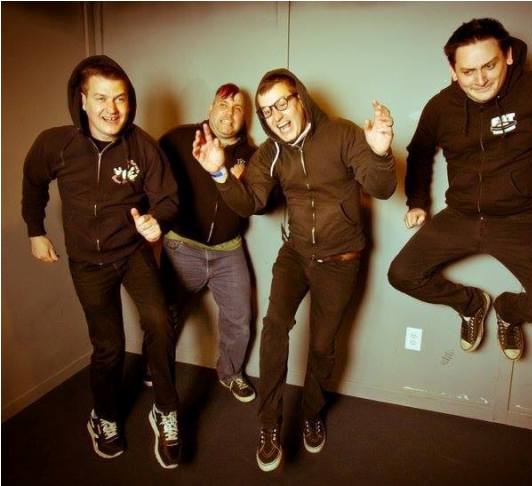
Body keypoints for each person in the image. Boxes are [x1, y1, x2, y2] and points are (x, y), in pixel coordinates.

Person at [192, 69, 396, 471]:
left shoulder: (342, 134)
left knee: (322, 346)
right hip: (296, 255)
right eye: (267, 111)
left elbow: (382, 187)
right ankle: (269, 423)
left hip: (340, 261)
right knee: (274, 327)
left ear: (300, 98)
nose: (277, 116)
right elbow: (250, 202)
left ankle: (312, 412)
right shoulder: (270, 153)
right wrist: (220, 174)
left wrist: (380, 153)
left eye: (282, 103)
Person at [388, 18, 532, 361]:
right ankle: (471, 304)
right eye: (468, 71)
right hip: (460, 216)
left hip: (521, 221)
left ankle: (508, 310)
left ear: (509, 55)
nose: (480, 79)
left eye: (489, 65)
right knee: (401, 275)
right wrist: (417, 202)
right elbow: (420, 153)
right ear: (453, 71)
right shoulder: (441, 106)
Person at [21, 55, 182, 469]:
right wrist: (35, 231)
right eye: (101, 98)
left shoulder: (142, 146)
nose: (112, 108)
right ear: (82, 100)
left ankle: (165, 408)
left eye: (121, 98)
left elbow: (167, 198)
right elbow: (34, 183)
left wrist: (157, 221)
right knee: (109, 347)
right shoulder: (55, 144)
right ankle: (104, 417)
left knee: (160, 322)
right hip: (88, 265)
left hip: (131, 254)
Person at [157, 83, 256, 402]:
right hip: (182, 248)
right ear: (211, 108)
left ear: (244, 116)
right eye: (223, 105)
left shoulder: (252, 156)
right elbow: (150, 181)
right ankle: (155, 367)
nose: (230, 113)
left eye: (237, 108)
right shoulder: (178, 139)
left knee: (239, 318)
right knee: (164, 315)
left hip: (229, 251)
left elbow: (258, 204)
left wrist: (236, 183)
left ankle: (231, 373)